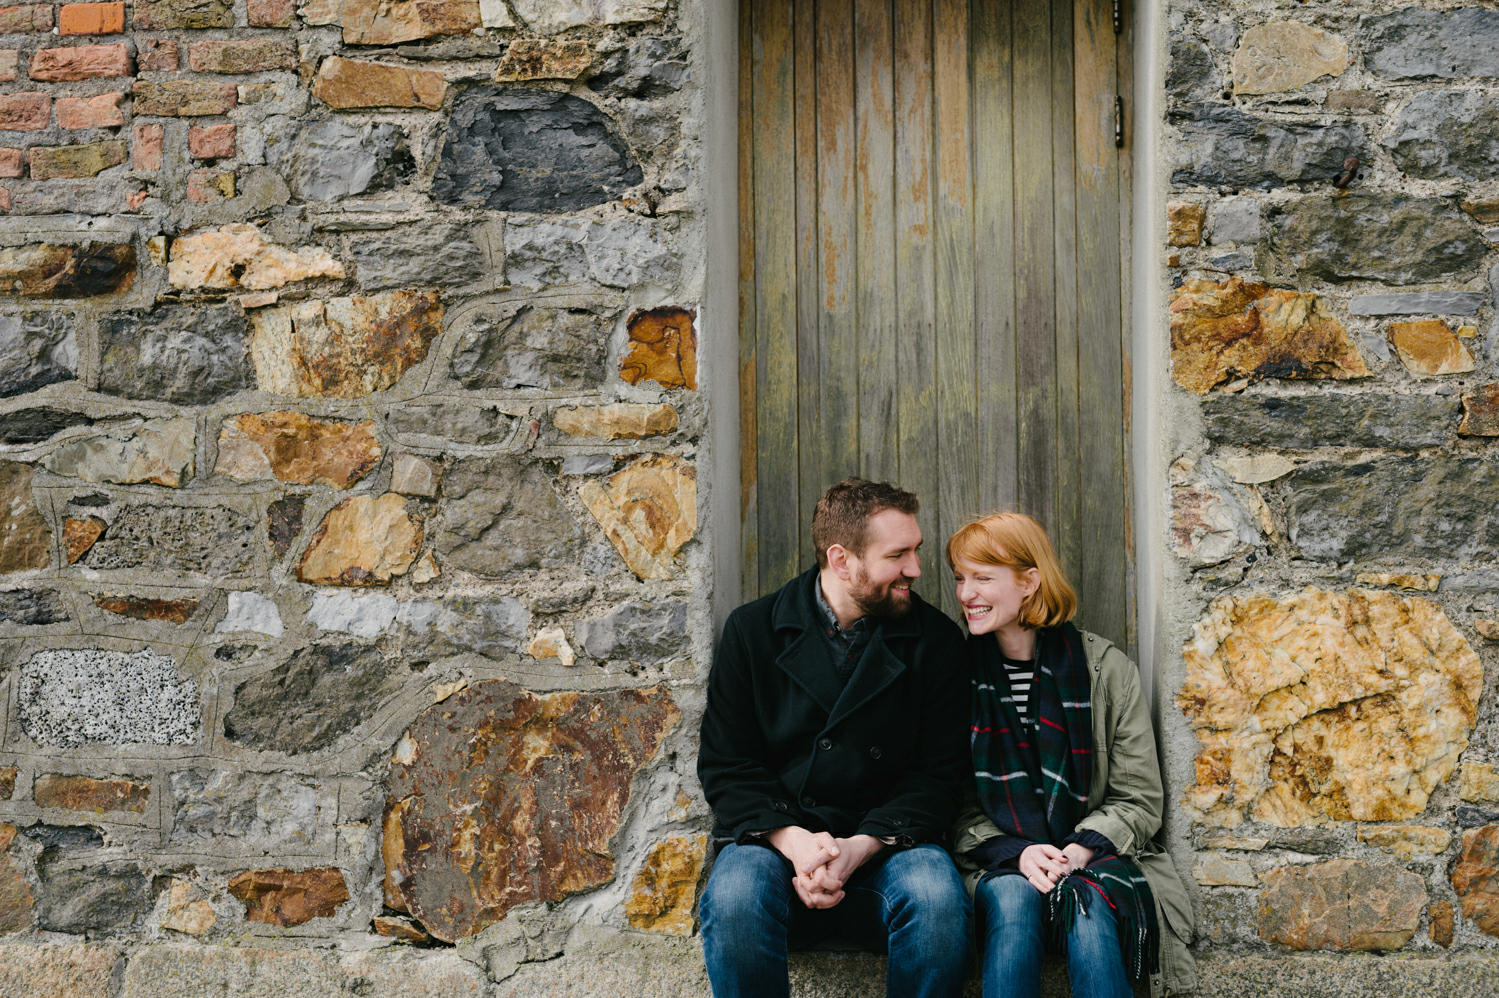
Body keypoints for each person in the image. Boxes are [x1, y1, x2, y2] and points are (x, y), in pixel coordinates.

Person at [697, 478, 973, 998]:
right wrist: (795, 842)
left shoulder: (935, 642)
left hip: (889, 847)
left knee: (937, 899)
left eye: (916, 550)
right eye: (898, 555)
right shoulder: (752, 631)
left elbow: (940, 775)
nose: (916, 568)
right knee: (733, 897)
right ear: (841, 560)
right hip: (778, 845)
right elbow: (727, 765)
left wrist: (860, 847)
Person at [947, 512, 1196, 998]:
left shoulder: (1106, 672)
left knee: (1086, 899)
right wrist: (1017, 854)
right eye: (960, 578)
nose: (964, 594)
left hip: (1094, 857)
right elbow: (952, 805)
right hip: (997, 864)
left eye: (982, 578)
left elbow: (1139, 798)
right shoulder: (954, 678)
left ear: (1029, 581)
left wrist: (1079, 849)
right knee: (1014, 901)